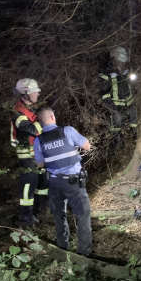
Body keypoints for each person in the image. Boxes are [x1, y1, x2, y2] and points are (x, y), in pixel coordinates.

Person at [33, 107, 93, 256]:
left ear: (40, 123)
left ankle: (62, 249)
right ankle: (84, 254)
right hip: (73, 183)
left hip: (54, 183)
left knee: (59, 216)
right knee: (82, 215)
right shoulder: (67, 131)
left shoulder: (38, 140)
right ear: (52, 117)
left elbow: (39, 164)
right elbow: (87, 146)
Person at [10, 78, 48, 226]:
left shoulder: (31, 109)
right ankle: (25, 219)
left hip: (38, 155)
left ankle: (40, 214)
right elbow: (32, 130)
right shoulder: (18, 113)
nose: (37, 93)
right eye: (34, 91)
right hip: (27, 157)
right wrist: (43, 120)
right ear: (25, 93)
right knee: (28, 187)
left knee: (43, 184)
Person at [100, 46, 137, 133]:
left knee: (134, 114)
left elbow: (131, 87)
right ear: (114, 60)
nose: (122, 64)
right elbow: (104, 95)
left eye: (123, 62)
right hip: (115, 106)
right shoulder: (106, 74)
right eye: (120, 61)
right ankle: (116, 138)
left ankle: (133, 134)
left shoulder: (126, 71)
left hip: (128, 104)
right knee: (117, 120)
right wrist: (113, 109)